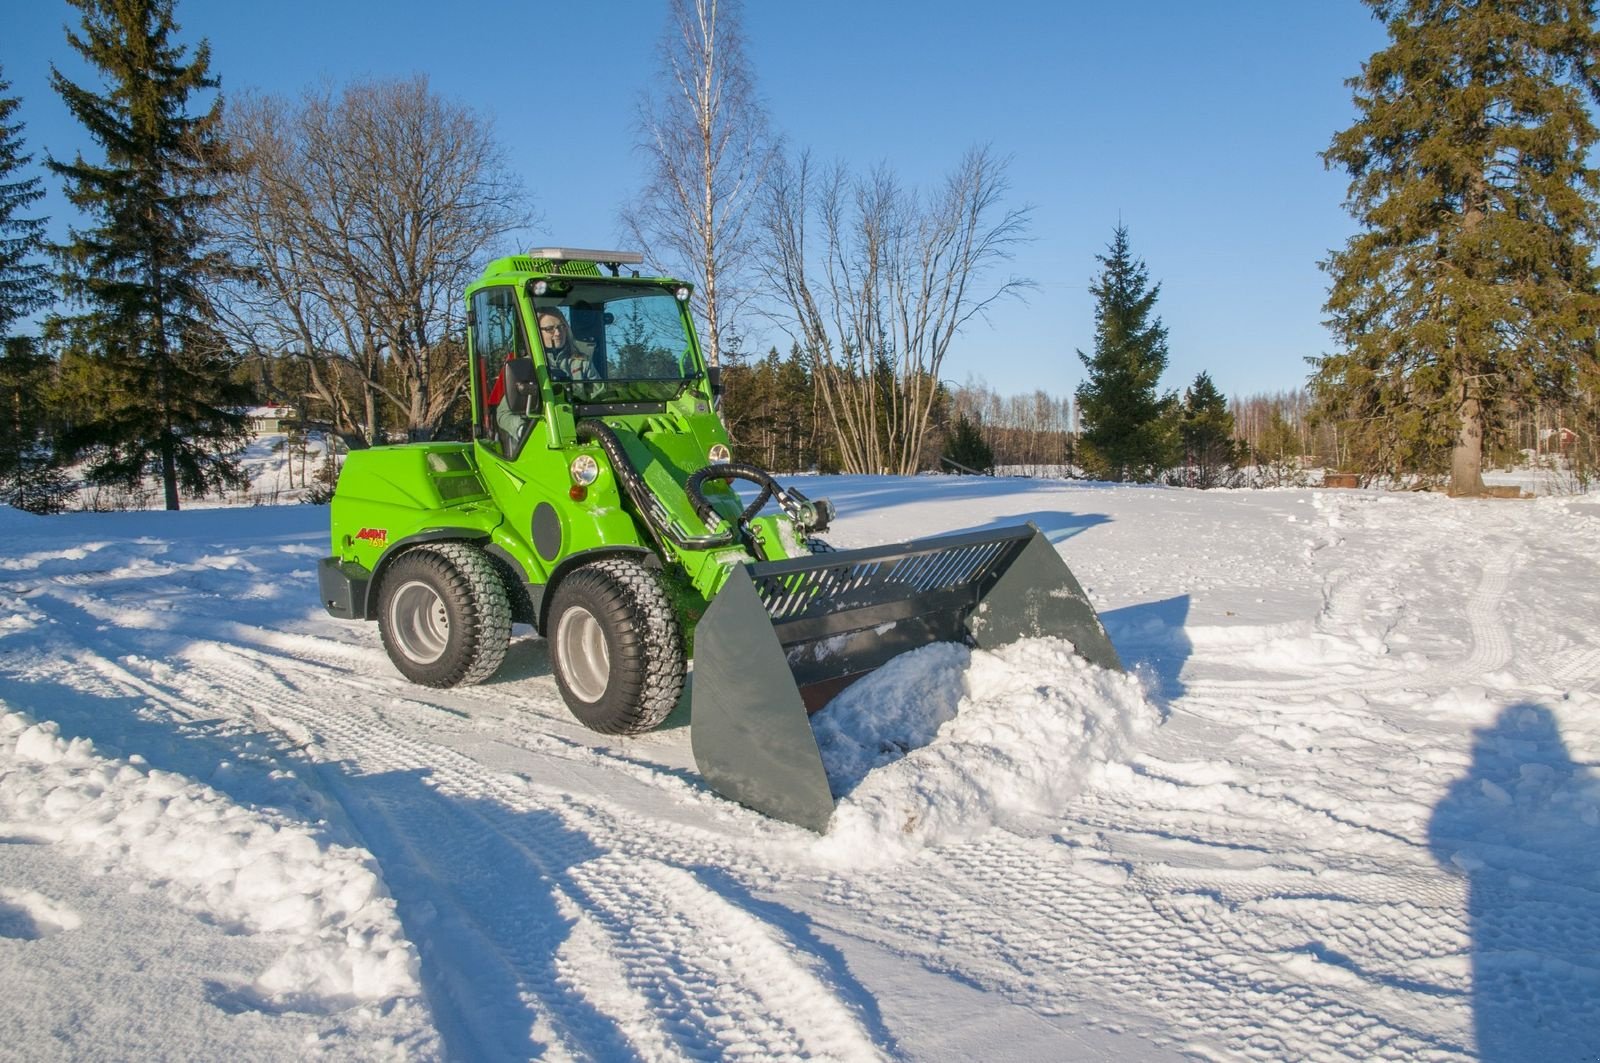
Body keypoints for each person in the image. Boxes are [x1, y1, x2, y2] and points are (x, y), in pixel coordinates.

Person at [537, 309, 601, 381]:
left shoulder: (582, 363)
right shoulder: (530, 365)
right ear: (537, 332)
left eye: (561, 326)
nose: (558, 333)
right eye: (549, 329)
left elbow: (601, 391)